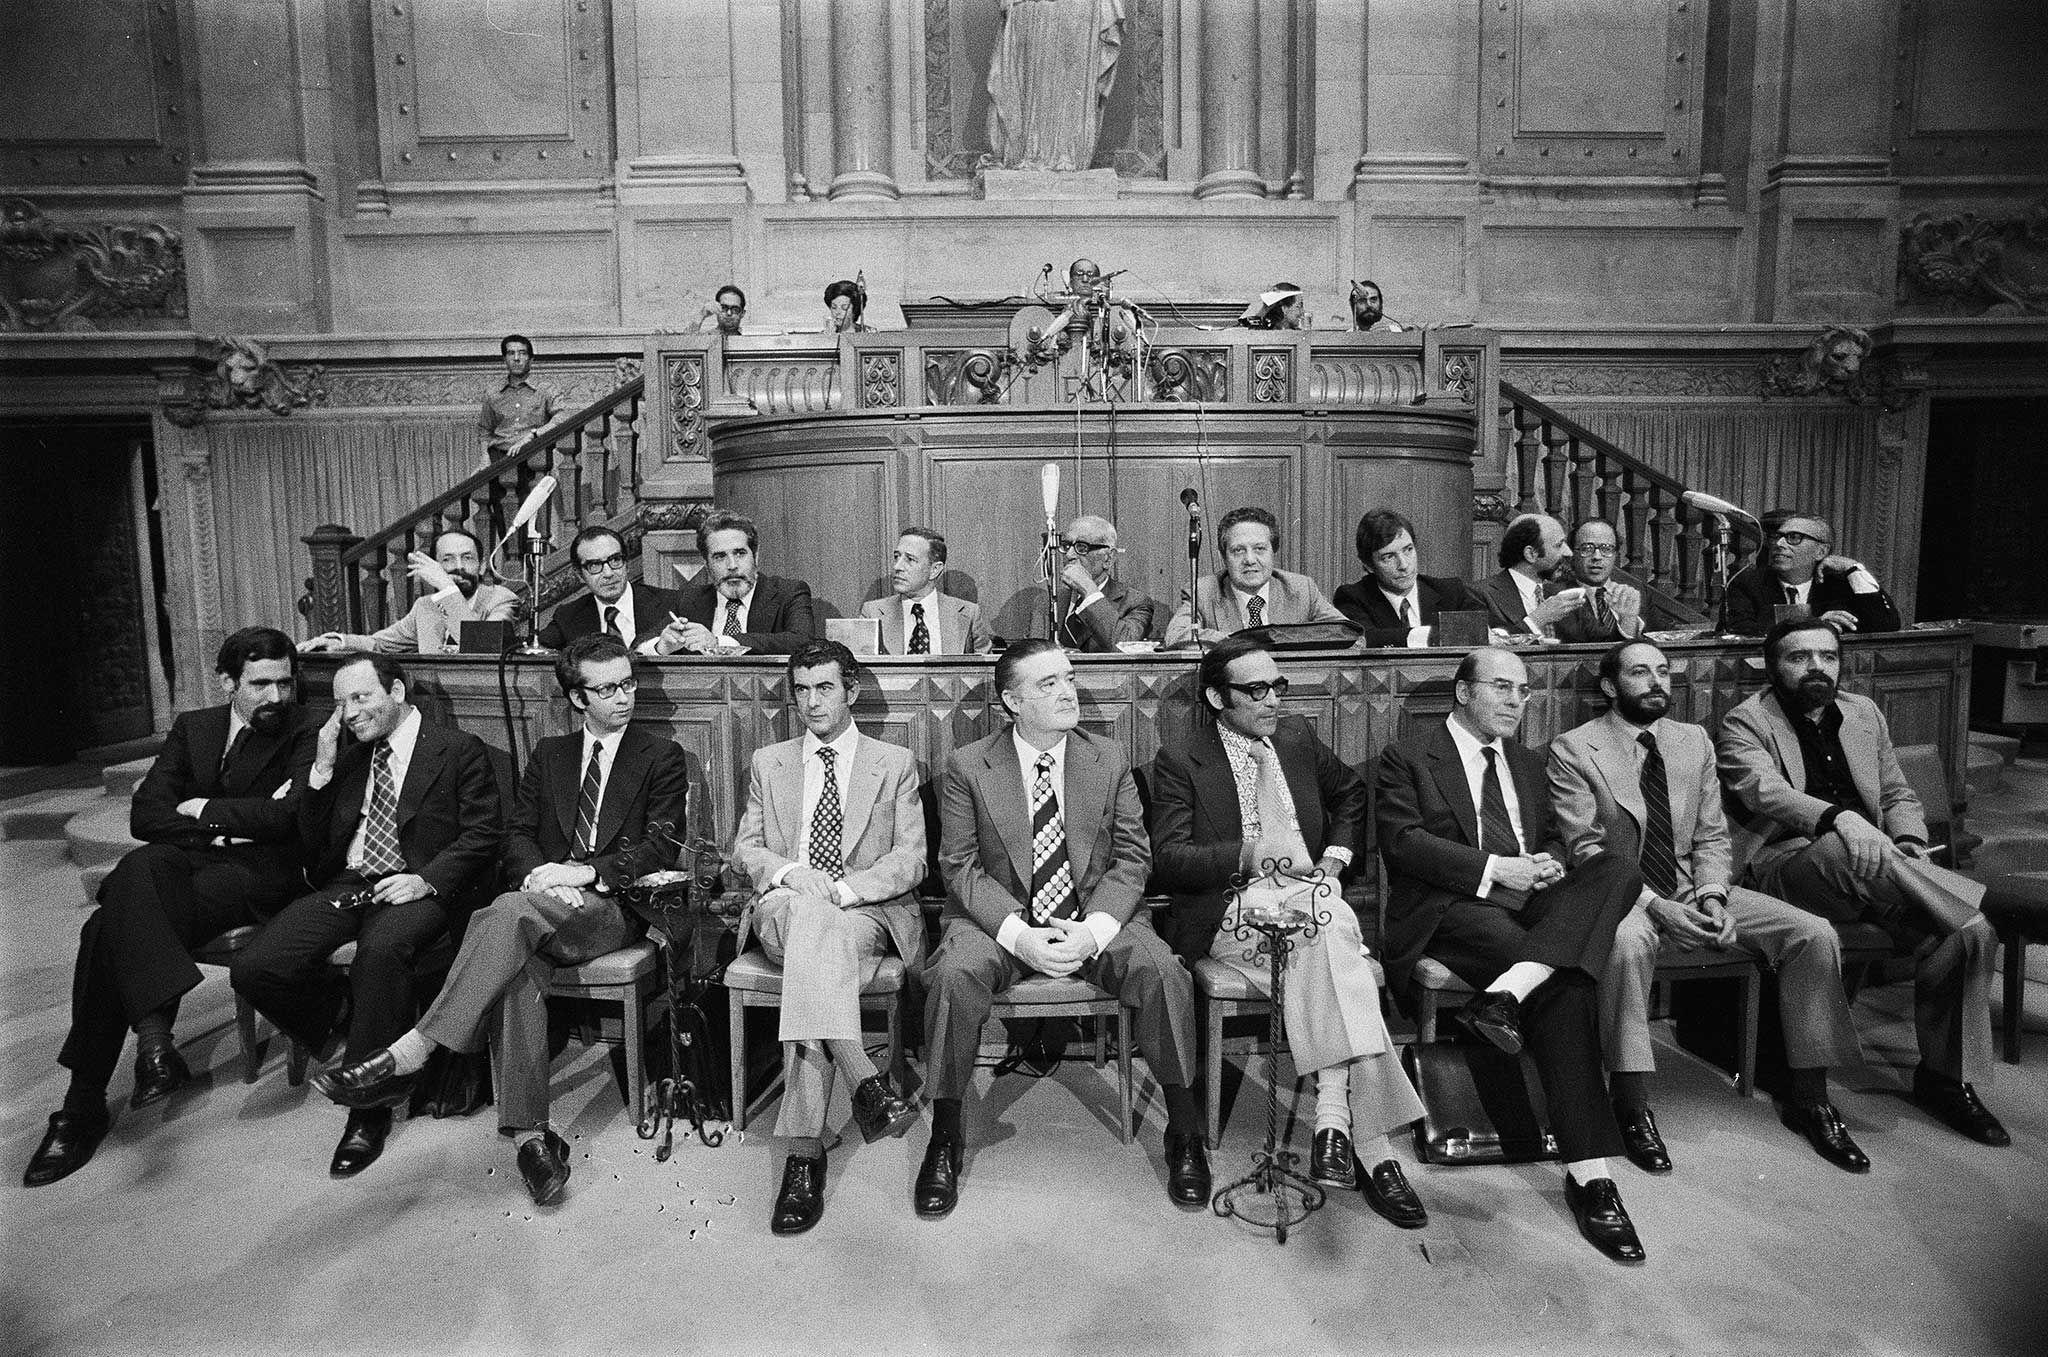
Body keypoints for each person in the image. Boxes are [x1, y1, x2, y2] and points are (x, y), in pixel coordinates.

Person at [308, 635, 686, 1205]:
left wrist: (584, 873)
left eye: (627, 684)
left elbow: (661, 846)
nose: (623, 697)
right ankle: (532, 1140)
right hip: (540, 906)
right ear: (577, 698)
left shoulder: (660, 755)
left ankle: (416, 1046)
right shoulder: (552, 754)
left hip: (613, 908)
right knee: (514, 967)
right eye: (607, 688)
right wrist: (540, 877)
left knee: (505, 913)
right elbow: (517, 834)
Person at [1550, 641, 1867, 1174]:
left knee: (1813, 933)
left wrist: (1714, 896)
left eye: (1662, 671)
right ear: (1609, 686)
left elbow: (1712, 836)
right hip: (1621, 894)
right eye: (1639, 672)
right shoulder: (1575, 748)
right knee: (1628, 943)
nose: (1656, 682)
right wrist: (1654, 906)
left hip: (1692, 887)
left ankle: (1812, 1098)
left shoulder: (1691, 739)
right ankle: (1631, 1104)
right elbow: (1586, 850)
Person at [1375, 645, 1649, 1262]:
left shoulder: (1526, 761)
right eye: (1502, 687)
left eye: (1523, 691)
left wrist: (1549, 862)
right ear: (1463, 692)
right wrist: (1499, 869)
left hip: (1532, 901)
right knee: (1567, 981)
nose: (1516, 701)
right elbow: (1404, 844)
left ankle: (1508, 992)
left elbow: (1550, 836)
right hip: (1452, 910)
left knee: (1617, 869)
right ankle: (1592, 1176)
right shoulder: (1408, 757)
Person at [920, 638, 1208, 1216]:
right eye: (1048, 684)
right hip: (999, 919)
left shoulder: (1108, 758)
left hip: (1095, 912)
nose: (1067, 692)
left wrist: (1094, 930)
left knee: (1163, 971)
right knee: (952, 977)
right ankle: (945, 1134)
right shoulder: (968, 765)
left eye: (1069, 679)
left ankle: (1184, 1129)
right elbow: (960, 866)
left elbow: (1133, 859)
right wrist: (1020, 936)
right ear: (1012, 701)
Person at [23, 627, 317, 1187]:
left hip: (258, 876)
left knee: (108, 923)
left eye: (285, 683)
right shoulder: (195, 727)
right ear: (228, 681)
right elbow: (145, 815)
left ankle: (89, 1098)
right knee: (138, 870)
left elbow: (286, 818)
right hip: (189, 864)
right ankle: (152, 1048)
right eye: (260, 685)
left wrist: (200, 808)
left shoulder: (307, 728)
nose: (277, 697)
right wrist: (231, 825)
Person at [1149, 638, 1429, 1228]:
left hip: (1309, 898)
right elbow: (1170, 859)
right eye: (1256, 690)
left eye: (1278, 686)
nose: (1274, 699)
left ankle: (1338, 1125)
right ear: (1217, 698)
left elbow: (1351, 792)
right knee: (1338, 940)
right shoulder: (1182, 759)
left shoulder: (1296, 737)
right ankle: (1368, 1147)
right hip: (1237, 909)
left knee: (1324, 931)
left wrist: (1335, 859)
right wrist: (1247, 853)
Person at [1718, 620, 2010, 1149]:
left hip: (1879, 870)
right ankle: (1967, 900)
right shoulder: (1746, 721)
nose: (1817, 667)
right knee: (1841, 847)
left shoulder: (1863, 713)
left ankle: (1946, 1080)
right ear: (1772, 667)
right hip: (1791, 868)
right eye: (1799, 657)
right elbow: (1766, 792)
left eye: (1828, 657)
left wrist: (1910, 841)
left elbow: (1897, 793)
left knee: (1969, 936)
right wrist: (1841, 819)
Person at [231, 655, 503, 1178]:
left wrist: (426, 879)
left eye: (360, 698)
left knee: (380, 952)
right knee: (254, 967)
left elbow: (484, 833)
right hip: (352, 882)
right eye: (341, 703)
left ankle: (367, 1110)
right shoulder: (351, 755)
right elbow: (312, 840)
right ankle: (347, 1020)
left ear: (396, 692)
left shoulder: (457, 749)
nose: (349, 713)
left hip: (419, 886)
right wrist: (321, 770)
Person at [731, 640, 928, 1234]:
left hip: (861, 910)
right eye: (801, 690)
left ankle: (804, 1152)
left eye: (824, 688)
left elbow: (911, 860)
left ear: (851, 691)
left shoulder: (894, 762)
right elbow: (747, 850)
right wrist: (795, 875)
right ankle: (864, 1077)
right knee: (810, 924)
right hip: (784, 908)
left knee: (816, 944)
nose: (811, 702)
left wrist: (842, 890)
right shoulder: (769, 761)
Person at [301, 528, 518, 654]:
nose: (458, 566)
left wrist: (446, 587)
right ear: (436, 566)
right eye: (447, 559)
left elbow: (484, 645)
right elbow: (380, 644)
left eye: (467, 558)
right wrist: (340, 642)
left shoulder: (501, 599)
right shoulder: (425, 606)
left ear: (481, 566)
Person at [1163, 506, 1346, 647]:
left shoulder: (1301, 588)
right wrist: (1243, 642)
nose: (1249, 560)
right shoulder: (1203, 591)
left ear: (1273, 552)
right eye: (1238, 550)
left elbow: (1346, 633)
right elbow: (1176, 635)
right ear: (1224, 557)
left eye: (1259, 549)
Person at [653, 509, 817, 656]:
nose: (732, 566)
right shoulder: (689, 599)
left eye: (739, 553)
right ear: (707, 565)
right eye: (719, 557)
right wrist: (662, 646)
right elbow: (643, 642)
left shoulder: (788, 593)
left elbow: (803, 642)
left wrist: (719, 642)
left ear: (755, 556)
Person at [1718, 514, 1902, 636]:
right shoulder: (1747, 582)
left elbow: (1887, 624)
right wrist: (1815, 625)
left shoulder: (1838, 585)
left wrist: (1853, 568)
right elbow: (1739, 630)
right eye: (1777, 537)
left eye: (1794, 537)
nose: (1779, 544)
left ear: (1821, 551)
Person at [1333, 508, 1487, 647]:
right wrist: (1434, 635)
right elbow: (1367, 637)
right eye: (1388, 557)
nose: (1404, 565)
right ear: (1368, 565)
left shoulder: (1450, 591)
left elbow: (1490, 629)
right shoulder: (1352, 597)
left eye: (1408, 550)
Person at [537, 526, 685, 654]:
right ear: (580, 575)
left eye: (615, 560)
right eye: (594, 565)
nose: (608, 573)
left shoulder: (671, 603)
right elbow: (536, 653)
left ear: (626, 564)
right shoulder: (568, 616)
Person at [858, 527, 991, 655]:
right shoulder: (872, 613)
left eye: (910, 559)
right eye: (896, 557)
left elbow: (986, 668)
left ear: (934, 570)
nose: (897, 566)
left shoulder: (968, 614)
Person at [1045, 513, 1159, 651]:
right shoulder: (1048, 601)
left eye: (1082, 547)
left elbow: (1123, 649)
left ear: (1108, 558)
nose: (1069, 555)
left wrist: (1088, 590)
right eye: (1066, 545)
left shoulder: (1135, 602)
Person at [1473, 513, 1589, 639]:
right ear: (1531, 554)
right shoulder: (1480, 595)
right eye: (1559, 545)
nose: (1569, 552)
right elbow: (1487, 646)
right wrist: (1537, 619)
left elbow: (1599, 639)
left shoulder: (1563, 594)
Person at [478, 334, 567, 466]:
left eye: (522, 353)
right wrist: (484, 458)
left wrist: (533, 435)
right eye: (511, 353)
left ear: (530, 360)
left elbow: (562, 417)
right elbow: (484, 430)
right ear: (504, 359)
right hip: (499, 458)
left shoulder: (545, 389)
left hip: (535, 456)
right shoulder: (492, 393)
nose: (516, 358)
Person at [1552, 519, 1645, 644]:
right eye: (1587, 548)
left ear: (1616, 555)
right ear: (1572, 554)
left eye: (1606, 549)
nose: (1597, 557)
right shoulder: (1558, 596)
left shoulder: (1636, 594)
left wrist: (1628, 619)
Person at [1238, 282, 1307, 330]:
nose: (1302, 312)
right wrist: (1265, 309)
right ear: (1284, 308)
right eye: (1298, 307)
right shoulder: (1269, 333)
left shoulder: (1300, 335)